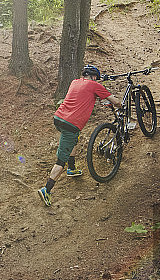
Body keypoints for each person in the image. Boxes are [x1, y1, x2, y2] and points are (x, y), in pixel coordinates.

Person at [37, 64, 121, 206]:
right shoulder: (95, 85)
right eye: (96, 78)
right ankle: (47, 189)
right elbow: (116, 101)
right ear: (94, 77)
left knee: (74, 140)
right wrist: (120, 106)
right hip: (71, 124)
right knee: (60, 160)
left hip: (59, 118)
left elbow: (84, 96)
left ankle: (72, 168)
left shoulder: (75, 82)